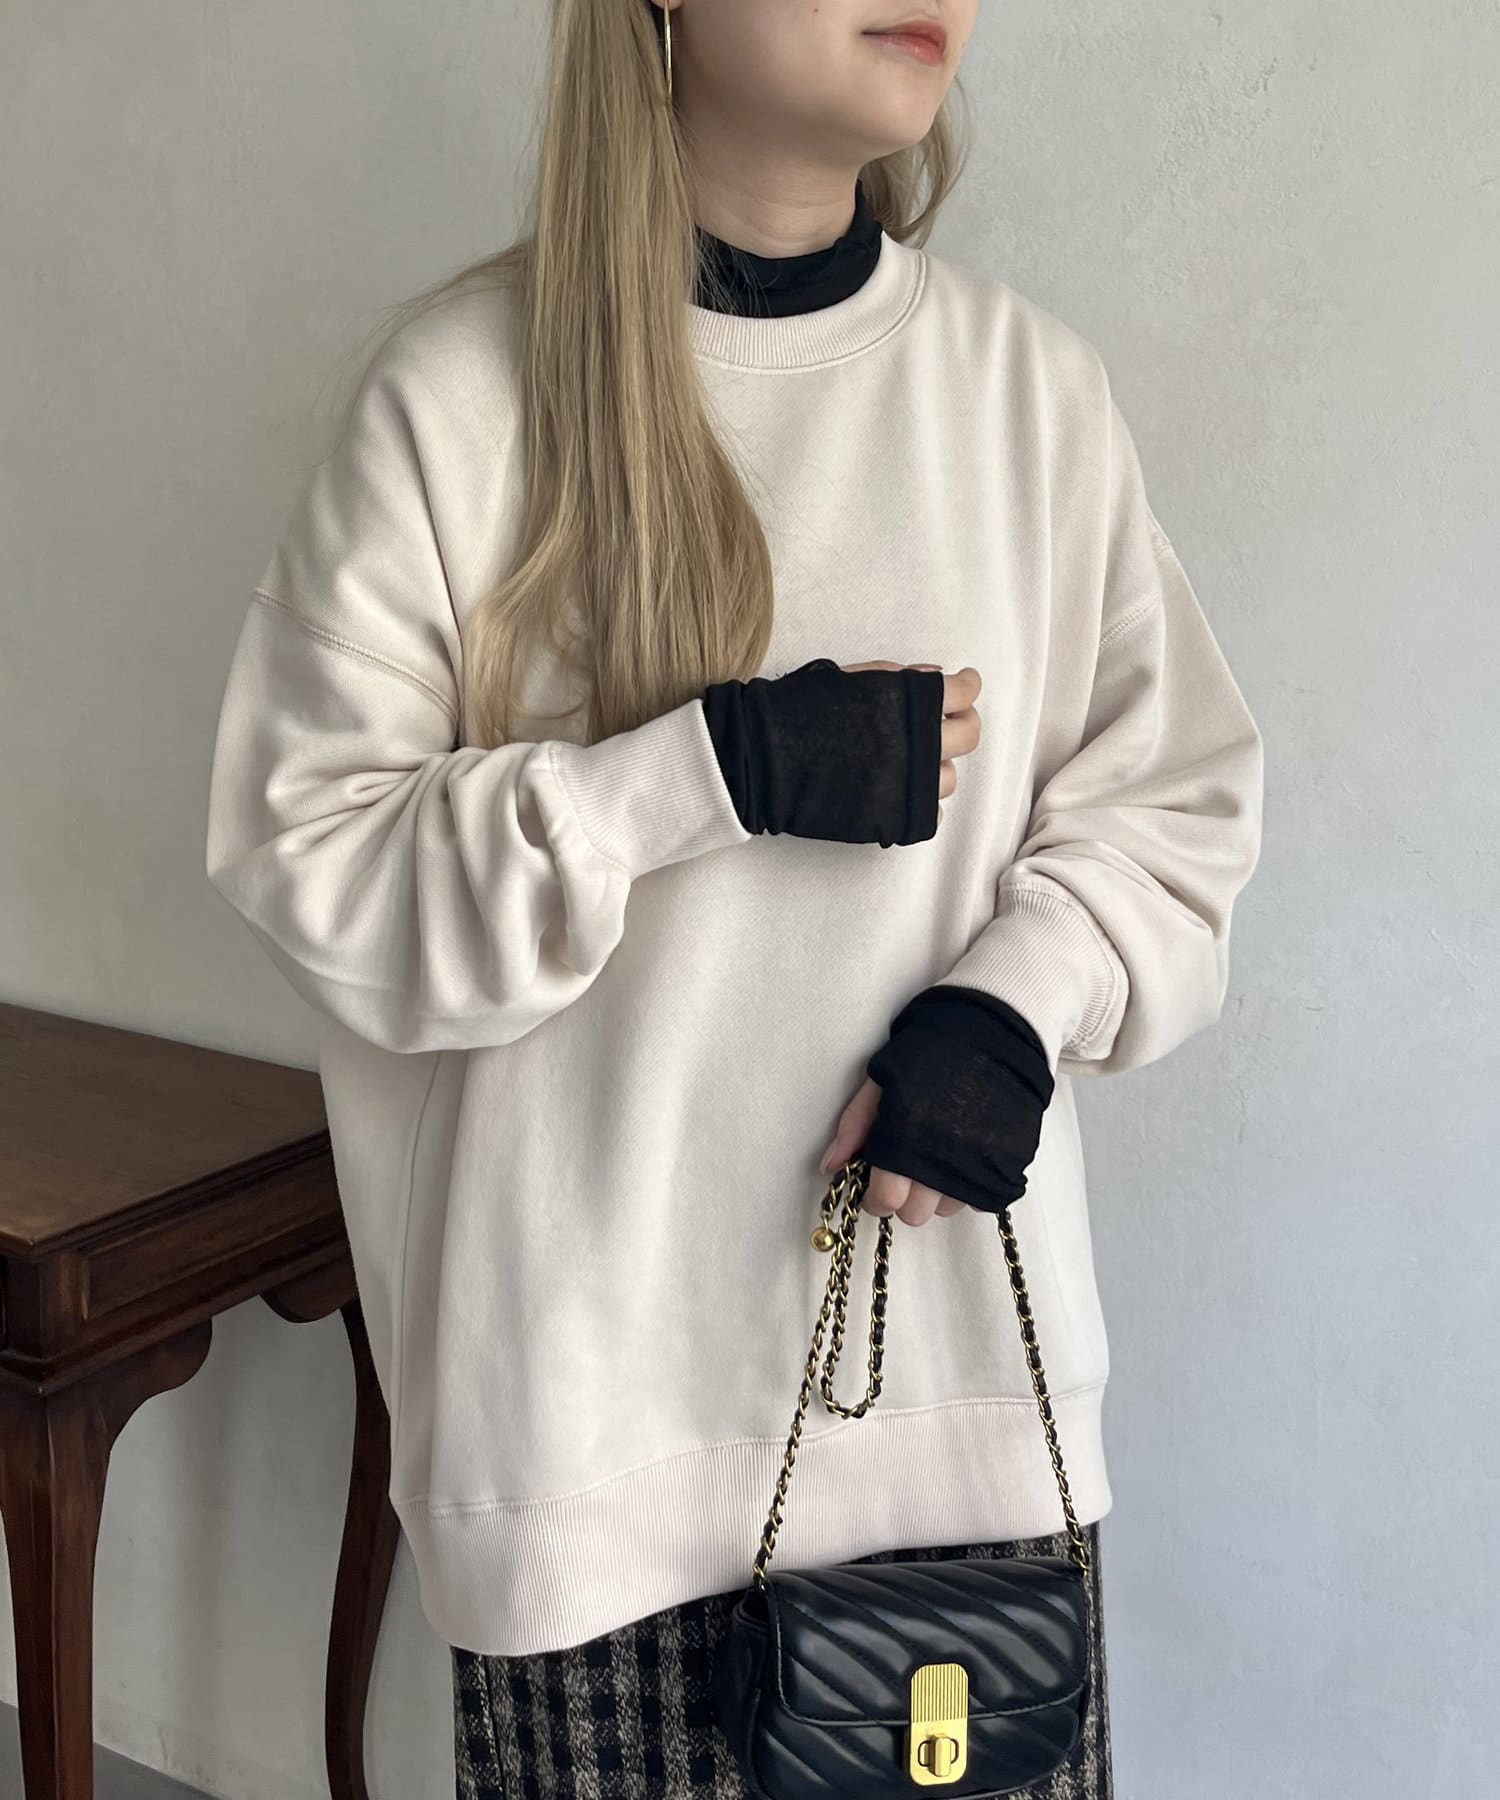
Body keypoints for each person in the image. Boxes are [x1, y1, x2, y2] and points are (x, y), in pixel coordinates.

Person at [203, 0, 1265, 1793]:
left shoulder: (1028, 396)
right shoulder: (463, 397)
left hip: (963, 1444)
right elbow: (314, 859)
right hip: (591, 1461)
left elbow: (1172, 802)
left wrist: (1016, 1005)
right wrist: (702, 773)